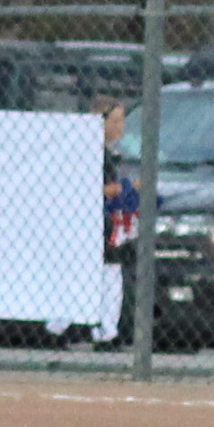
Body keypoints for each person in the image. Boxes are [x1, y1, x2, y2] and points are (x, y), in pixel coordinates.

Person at [91, 94, 139, 350]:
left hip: (108, 223)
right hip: (96, 224)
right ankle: (105, 334)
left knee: (108, 274)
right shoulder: (93, 153)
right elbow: (96, 189)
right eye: (115, 120)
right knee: (108, 276)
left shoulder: (111, 153)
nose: (120, 127)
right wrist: (128, 188)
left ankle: (104, 331)